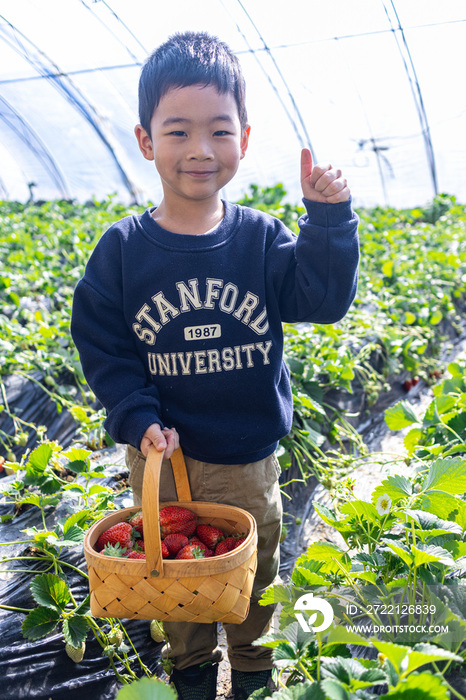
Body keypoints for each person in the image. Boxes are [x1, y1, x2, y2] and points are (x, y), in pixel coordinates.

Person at [71, 31, 359, 700]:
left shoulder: (261, 239)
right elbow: (104, 347)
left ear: (245, 139)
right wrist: (136, 415)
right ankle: (193, 673)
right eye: (178, 131)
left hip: (245, 458)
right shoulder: (121, 252)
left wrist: (327, 220)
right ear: (146, 141)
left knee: (254, 578)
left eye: (218, 131)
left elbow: (322, 301)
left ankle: (254, 673)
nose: (199, 149)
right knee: (176, 585)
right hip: (160, 457)